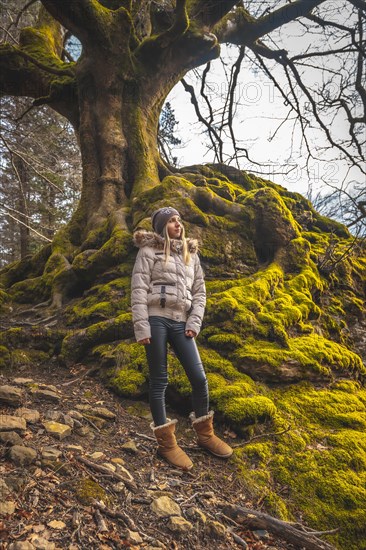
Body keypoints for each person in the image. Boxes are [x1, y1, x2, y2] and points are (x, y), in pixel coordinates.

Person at [131, 206, 233, 470]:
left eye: (179, 220)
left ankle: (205, 435)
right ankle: (167, 445)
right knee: (159, 380)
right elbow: (139, 289)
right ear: (162, 226)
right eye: (172, 221)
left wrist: (194, 322)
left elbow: (200, 292)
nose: (178, 224)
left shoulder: (191, 254)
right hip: (156, 319)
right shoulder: (148, 251)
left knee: (199, 379)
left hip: (182, 322)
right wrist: (142, 328)